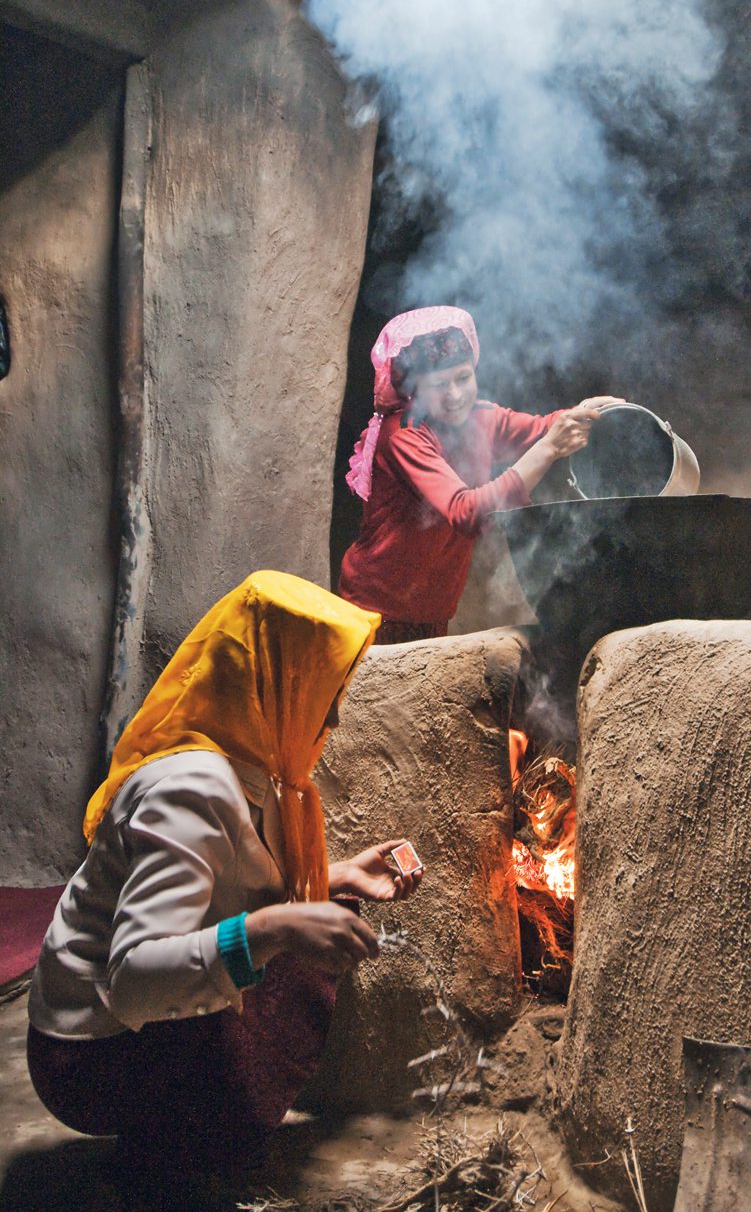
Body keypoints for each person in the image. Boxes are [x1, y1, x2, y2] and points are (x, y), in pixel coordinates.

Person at [26, 571, 422, 1207]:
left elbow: (234, 886)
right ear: (276, 680)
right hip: (84, 1057)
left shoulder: (252, 770)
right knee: (295, 966)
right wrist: (279, 928)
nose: (335, 714)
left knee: (316, 926)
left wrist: (339, 876)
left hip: (108, 1034)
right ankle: (172, 1148)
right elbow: (132, 978)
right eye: (324, 688)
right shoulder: (193, 786)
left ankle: (192, 1129)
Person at [340, 305, 623, 642]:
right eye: (439, 384)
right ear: (413, 388)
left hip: (434, 609)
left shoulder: (480, 418)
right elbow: (466, 512)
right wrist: (548, 449)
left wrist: (581, 413)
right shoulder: (403, 435)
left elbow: (541, 428)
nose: (455, 395)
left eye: (463, 378)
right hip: (375, 615)